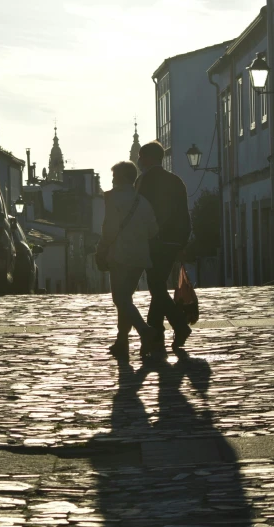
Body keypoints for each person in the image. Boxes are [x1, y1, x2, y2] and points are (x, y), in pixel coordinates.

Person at [96, 161, 160, 361]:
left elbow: (108, 229)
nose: (112, 180)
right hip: (140, 258)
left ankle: (144, 331)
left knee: (120, 299)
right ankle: (121, 341)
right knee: (126, 299)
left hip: (119, 256)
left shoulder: (110, 198)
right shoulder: (142, 201)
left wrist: (101, 249)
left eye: (114, 176)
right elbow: (153, 231)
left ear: (121, 178)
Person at [135, 140, 192, 355]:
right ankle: (155, 336)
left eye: (141, 157)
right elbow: (185, 214)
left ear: (148, 158)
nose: (139, 161)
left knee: (156, 287)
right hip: (174, 241)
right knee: (157, 286)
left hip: (154, 241)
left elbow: (140, 214)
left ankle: (178, 326)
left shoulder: (143, 182)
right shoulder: (176, 181)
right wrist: (183, 242)